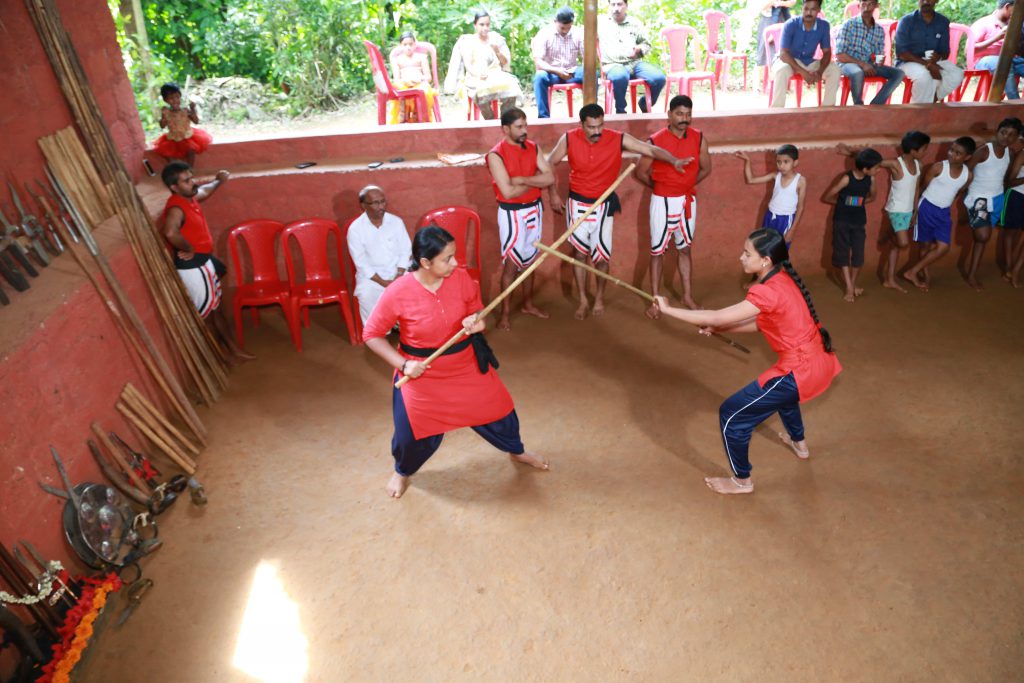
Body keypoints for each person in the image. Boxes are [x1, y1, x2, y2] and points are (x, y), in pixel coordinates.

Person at [362, 226, 549, 499]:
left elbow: (480, 317)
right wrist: (403, 365)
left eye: (454, 256)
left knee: (501, 412)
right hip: (420, 374)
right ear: (425, 262)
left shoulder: (461, 279)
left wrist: (475, 323)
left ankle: (517, 451)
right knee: (410, 434)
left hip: (465, 365)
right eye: (447, 258)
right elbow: (372, 335)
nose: (455, 263)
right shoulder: (398, 291)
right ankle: (402, 470)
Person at [654, 228, 841, 495]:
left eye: (747, 253)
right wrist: (722, 330)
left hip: (800, 370)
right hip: (817, 360)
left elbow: (717, 316)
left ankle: (742, 481)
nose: (741, 257)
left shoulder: (765, 292)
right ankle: (799, 444)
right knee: (785, 399)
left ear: (765, 260)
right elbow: (759, 324)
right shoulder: (782, 278)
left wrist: (668, 309)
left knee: (731, 415)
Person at [546, 103, 693, 320]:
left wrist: (674, 160)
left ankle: (599, 298)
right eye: (591, 127)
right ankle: (584, 300)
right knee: (579, 254)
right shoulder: (568, 138)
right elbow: (549, 162)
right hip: (577, 204)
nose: (597, 131)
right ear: (581, 125)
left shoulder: (618, 138)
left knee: (602, 257)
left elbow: (650, 149)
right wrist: (553, 194)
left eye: (600, 126)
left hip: (604, 204)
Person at [160, 161, 252, 361]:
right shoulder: (176, 207)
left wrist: (218, 180)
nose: (192, 183)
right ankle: (222, 354)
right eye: (186, 181)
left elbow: (204, 191)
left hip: (203, 263)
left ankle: (230, 350)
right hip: (194, 268)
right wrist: (188, 247)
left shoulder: (190, 198)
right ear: (174, 187)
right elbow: (169, 231)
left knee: (216, 309)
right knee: (209, 314)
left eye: (191, 177)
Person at [634, 95, 712, 316]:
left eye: (688, 114)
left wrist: (684, 184)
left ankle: (687, 295)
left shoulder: (699, 138)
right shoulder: (655, 141)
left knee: (685, 249)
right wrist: (662, 186)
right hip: (662, 201)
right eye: (679, 114)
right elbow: (641, 172)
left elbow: (707, 169)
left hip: (687, 200)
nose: (684, 119)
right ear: (669, 115)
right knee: (657, 251)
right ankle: (656, 300)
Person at [486, 108, 555, 331]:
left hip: (534, 210)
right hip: (512, 214)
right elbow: (507, 192)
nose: (525, 130)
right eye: (519, 127)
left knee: (530, 262)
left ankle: (527, 304)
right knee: (512, 265)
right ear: (506, 129)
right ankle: (505, 313)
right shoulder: (495, 155)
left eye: (525, 125)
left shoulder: (533, 147)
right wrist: (536, 180)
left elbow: (550, 177)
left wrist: (522, 179)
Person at [837, 131, 932, 292]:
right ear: (913, 150)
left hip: (908, 210)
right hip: (895, 210)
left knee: (896, 247)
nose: (926, 152)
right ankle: (890, 235)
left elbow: (916, 189)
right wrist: (850, 152)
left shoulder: (918, 166)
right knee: (903, 243)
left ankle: (889, 279)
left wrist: (916, 210)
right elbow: (871, 160)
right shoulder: (896, 164)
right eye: (924, 149)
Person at [902, 137, 976, 291]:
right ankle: (925, 275)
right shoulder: (938, 168)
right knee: (926, 244)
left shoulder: (968, 176)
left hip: (943, 212)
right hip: (926, 207)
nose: (952, 154)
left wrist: (946, 206)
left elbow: (957, 193)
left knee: (943, 247)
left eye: (958, 153)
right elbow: (921, 189)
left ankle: (912, 271)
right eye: (951, 150)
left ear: (967, 157)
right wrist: (914, 211)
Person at [963, 118, 1021, 290]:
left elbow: (1003, 177)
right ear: (998, 131)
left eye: (1011, 135)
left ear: (1017, 138)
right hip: (978, 198)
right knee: (983, 236)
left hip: (996, 199)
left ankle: (973, 272)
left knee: (983, 238)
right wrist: (962, 195)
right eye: (1003, 132)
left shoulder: (1009, 153)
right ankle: (972, 275)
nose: (1006, 137)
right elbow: (967, 171)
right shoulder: (983, 151)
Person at [346, 186, 413, 322]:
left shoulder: (396, 222)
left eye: (383, 201)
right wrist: (383, 283)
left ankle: (408, 330)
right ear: (363, 205)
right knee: (366, 294)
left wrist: (399, 275)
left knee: (413, 289)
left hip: (399, 272)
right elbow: (361, 263)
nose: (381, 206)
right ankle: (377, 335)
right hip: (372, 277)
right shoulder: (356, 229)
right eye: (376, 203)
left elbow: (406, 250)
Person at [824, 148, 882, 302]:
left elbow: (872, 198)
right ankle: (849, 287)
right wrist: (842, 204)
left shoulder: (871, 180)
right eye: (876, 168)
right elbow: (828, 196)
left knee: (858, 255)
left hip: (858, 222)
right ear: (865, 169)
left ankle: (853, 284)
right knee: (842, 253)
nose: (878, 170)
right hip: (842, 221)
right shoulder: (846, 179)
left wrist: (852, 202)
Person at [444, 10, 523, 119]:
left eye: (487, 25)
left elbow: (505, 64)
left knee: (512, 87)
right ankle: (491, 121)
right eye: (481, 25)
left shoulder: (496, 39)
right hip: (476, 77)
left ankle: (505, 119)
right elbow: (468, 65)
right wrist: (478, 74)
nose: (485, 28)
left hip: (496, 75)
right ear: (475, 26)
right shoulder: (469, 41)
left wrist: (498, 52)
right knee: (480, 92)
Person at [598, 0, 667, 113]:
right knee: (620, 76)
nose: (616, 8)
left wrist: (639, 49)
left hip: (634, 63)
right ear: (609, 6)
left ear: (626, 6)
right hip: (613, 64)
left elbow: (646, 44)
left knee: (659, 78)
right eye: (613, 4)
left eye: (619, 4)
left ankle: (644, 103)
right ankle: (621, 111)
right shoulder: (600, 23)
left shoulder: (635, 23)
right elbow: (586, 39)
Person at [769, 0, 839, 108]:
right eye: (806, 9)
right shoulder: (790, 24)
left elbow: (827, 52)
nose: (808, 13)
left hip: (808, 61)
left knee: (835, 70)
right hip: (788, 61)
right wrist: (803, 72)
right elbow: (783, 54)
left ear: (819, 10)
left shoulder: (824, 26)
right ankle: (776, 112)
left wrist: (820, 72)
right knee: (781, 70)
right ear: (802, 8)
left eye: (813, 9)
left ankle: (827, 110)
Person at [835, 0, 905, 105]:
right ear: (859, 6)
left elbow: (879, 53)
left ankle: (876, 104)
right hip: (846, 63)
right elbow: (840, 55)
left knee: (898, 73)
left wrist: (879, 62)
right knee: (857, 72)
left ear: (876, 6)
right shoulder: (849, 25)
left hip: (867, 64)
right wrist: (863, 64)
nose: (866, 8)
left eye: (870, 4)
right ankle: (858, 105)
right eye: (864, 4)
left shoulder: (879, 30)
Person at [894, 0, 964, 104]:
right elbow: (902, 53)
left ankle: (928, 102)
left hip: (933, 61)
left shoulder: (943, 22)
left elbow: (945, 51)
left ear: (936, 1)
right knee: (924, 76)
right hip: (908, 62)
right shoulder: (907, 21)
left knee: (957, 74)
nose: (925, 1)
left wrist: (937, 58)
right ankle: (921, 110)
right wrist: (928, 65)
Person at [735, 145, 807, 243]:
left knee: (780, 251)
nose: (781, 165)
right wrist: (748, 160)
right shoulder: (775, 175)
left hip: (785, 220)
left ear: (795, 162)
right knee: (765, 247)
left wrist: (792, 230)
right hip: (770, 216)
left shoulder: (800, 181)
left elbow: (801, 207)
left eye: (786, 162)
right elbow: (751, 180)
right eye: (779, 162)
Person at [532, 8, 591, 119]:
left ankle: (590, 113)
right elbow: (538, 61)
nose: (565, 31)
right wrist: (556, 71)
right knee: (539, 77)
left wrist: (584, 67)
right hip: (552, 72)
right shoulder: (544, 34)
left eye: (568, 28)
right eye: (562, 28)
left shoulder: (578, 33)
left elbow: (587, 58)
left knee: (591, 73)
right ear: (555, 22)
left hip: (571, 72)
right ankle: (544, 117)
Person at [971, 0, 1024, 100]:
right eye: (1016, 9)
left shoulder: (1014, 24)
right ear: (1007, 7)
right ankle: (1016, 103)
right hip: (982, 60)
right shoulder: (983, 23)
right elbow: (970, 50)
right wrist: (997, 38)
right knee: (1002, 63)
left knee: (1008, 62)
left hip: (1009, 60)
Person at [152, 83, 212, 167]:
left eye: (177, 97)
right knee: (167, 154)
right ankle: (177, 169)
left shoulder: (185, 110)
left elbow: (196, 121)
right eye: (171, 98)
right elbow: (162, 126)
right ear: (165, 100)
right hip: (172, 138)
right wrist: (163, 118)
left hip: (187, 136)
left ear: (180, 97)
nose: (175, 100)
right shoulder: (166, 112)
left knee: (191, 150)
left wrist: (193, 109)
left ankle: (189, 169)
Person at [388, 31, 437, 123]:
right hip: (404, 84)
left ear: (415, 45)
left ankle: (423, 119)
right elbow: (397, 80)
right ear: (400, 46)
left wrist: (419, 80)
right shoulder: (397, 60)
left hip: (420, 83)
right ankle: (402, 117)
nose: (408, 47)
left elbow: (428, 77)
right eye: (405, 44)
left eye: (411, 44)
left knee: (425, 91)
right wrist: (406, 81)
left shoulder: (421, 57)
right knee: (399, 90)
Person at [754, 0, 797, 89]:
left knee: (780, 54)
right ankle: (757, 86)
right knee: (761, 53)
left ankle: (778, 85)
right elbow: (761, 7)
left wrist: (782, 3)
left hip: (782, 19)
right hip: (767, 20)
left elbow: (793, 2)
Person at [1003, 146, 1024, 286]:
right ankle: (1009, 269)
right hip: (1017, 196)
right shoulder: (1022, 154)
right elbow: (1010, 181)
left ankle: (1016, 270)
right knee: (1010, 233)